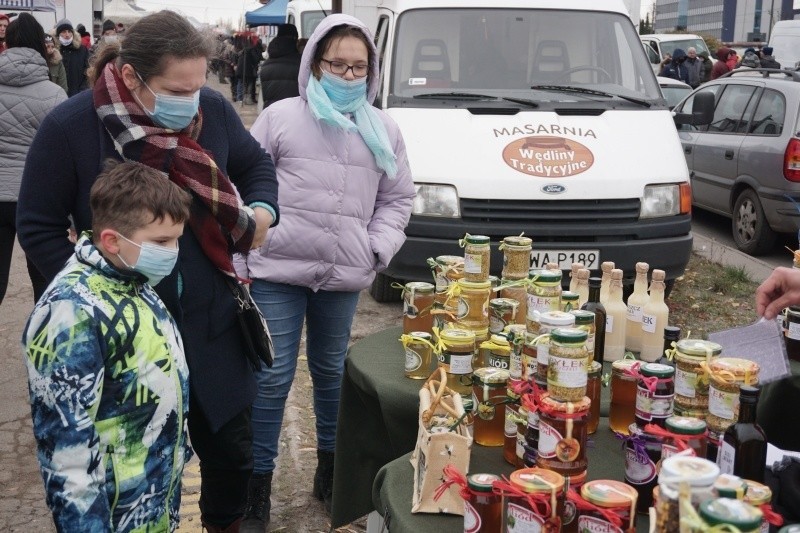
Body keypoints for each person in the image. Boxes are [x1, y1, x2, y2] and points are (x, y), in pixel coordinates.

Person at [17, 10, 279, 532]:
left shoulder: (214, 111)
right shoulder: (71, 127)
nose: (192, 100)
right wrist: (89, 301)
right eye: (176, 89)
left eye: (199, 85)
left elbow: (255, 166)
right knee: (139, 481)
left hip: (213, 329)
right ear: (132, 76)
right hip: (125, 350)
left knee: (231, 461)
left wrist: (263, 211)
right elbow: (38, 225)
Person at [243, 13, 415, 530]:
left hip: (342, 276)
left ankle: (332, 473)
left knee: (333, 374)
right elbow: (245, 182)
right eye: (336, 64)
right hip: (276, 270)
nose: (347, 76)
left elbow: (398, 198)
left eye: (357, 67)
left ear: (372, 70)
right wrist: (249, 241)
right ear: (315, 63)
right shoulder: (280, 117)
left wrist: (374, 248)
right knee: (271, 379)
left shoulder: (383, 127)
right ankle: (256, 488)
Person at [22, 161, 193, 532]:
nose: (173, 251)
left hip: (151, 504)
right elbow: (67, 456)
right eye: (161, 242)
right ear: (113, 240)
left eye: (177, 238)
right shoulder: (70, 314)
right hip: (112, 517)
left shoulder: (132, 280)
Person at [0, 13, 67, 306]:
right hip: (36, 196)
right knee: (44, 277)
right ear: (42, 44)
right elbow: (63, 156)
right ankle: (46, 341)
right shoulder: (55, 95)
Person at [259, 23, 301, 109]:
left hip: (271, 116)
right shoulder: (301, 64)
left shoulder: (265, 66)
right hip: (294, 116)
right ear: (294, 38)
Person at [55, 18, 89, 96]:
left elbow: (88, 71)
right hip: (58, 96)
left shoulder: (82, 50)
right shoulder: (55, 51)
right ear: (58, 34)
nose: (67, 35)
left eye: (69, 31)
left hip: (78, 95)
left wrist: (82, 91)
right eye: (63, 32)